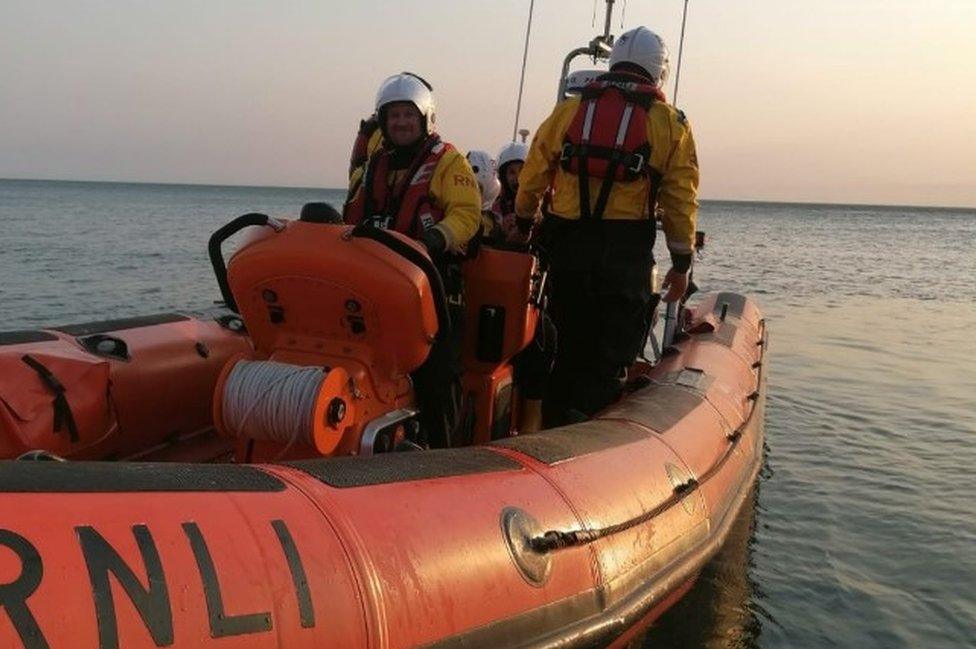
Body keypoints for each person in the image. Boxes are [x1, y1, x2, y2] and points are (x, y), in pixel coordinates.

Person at [514, 26, 699, 427]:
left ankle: (549, 425)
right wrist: (681, 262)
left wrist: (524, 220)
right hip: (624, 251)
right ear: (659, 71)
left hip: (564, 242)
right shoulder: (668, 122)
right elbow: (679, 198)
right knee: (610, 350)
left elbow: (533, 174)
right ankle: (592, 432)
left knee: (562, 340)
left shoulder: (568, 111)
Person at [344, 72, 482, 447]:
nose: (401, 123)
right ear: (384, 123)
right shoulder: (374, 167)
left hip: (433, 288)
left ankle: (443, 454)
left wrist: (437, 238)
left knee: (438, 379)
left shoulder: (447, 162)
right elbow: (351, 214)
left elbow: (468, 215)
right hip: (376, 287)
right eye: (394, 116)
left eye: (409, 115)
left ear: (424, 118)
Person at [492, 141, 530, 244]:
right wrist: (501, 230)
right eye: (512, 172)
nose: (517, 178)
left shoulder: (541, 205)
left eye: (522, 170)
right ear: (504, 178)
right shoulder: (496, 208)